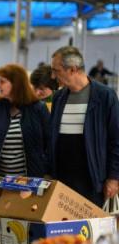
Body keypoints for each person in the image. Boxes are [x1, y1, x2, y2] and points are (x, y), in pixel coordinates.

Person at [49, 46, 119, 206]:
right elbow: (52, 137)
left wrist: (114, 178)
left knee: (89, 229)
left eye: (56, 70)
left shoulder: (105, 97)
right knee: (62, 229)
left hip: (92, 182)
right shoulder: (59, 98)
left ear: (72, 69)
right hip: (61, 180)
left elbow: (116, 141)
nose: (53, 76)